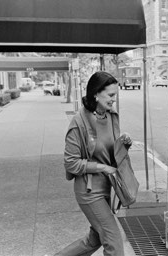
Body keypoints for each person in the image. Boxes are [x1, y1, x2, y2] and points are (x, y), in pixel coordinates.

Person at [55, 71, 132, 256]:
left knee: (95, 240)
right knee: (114, 241)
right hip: (89, 191)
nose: (114, 100)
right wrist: (103, 168)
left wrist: (124, 144)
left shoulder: (112, 117)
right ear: (96, 94)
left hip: (106, 187)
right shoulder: (79, 122)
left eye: (116, 95)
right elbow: (71, 163)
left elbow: (110, 153)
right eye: (111, 95)